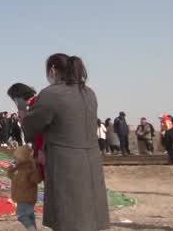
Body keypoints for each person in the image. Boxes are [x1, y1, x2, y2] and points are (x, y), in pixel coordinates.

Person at [19, 53, 112, 229]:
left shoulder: (51, 93)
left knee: (68, 216)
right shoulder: (89, 92)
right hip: (91, 161)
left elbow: (31, 128)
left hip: (65, 163)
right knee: (90, 214)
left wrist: (23, 111)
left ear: (53, 70)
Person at [10, 145, 41, 231]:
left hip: (26, 198)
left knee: (21, 215)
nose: (15, 160)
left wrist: (35, 168)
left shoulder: (30, 168)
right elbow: (12, 177)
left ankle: (32, 229)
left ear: (22, 159)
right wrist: (11, 169)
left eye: (16, 158)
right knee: (30, 216)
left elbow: (37, 179)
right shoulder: (20, 168)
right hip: (23, 198)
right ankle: (33, 229)